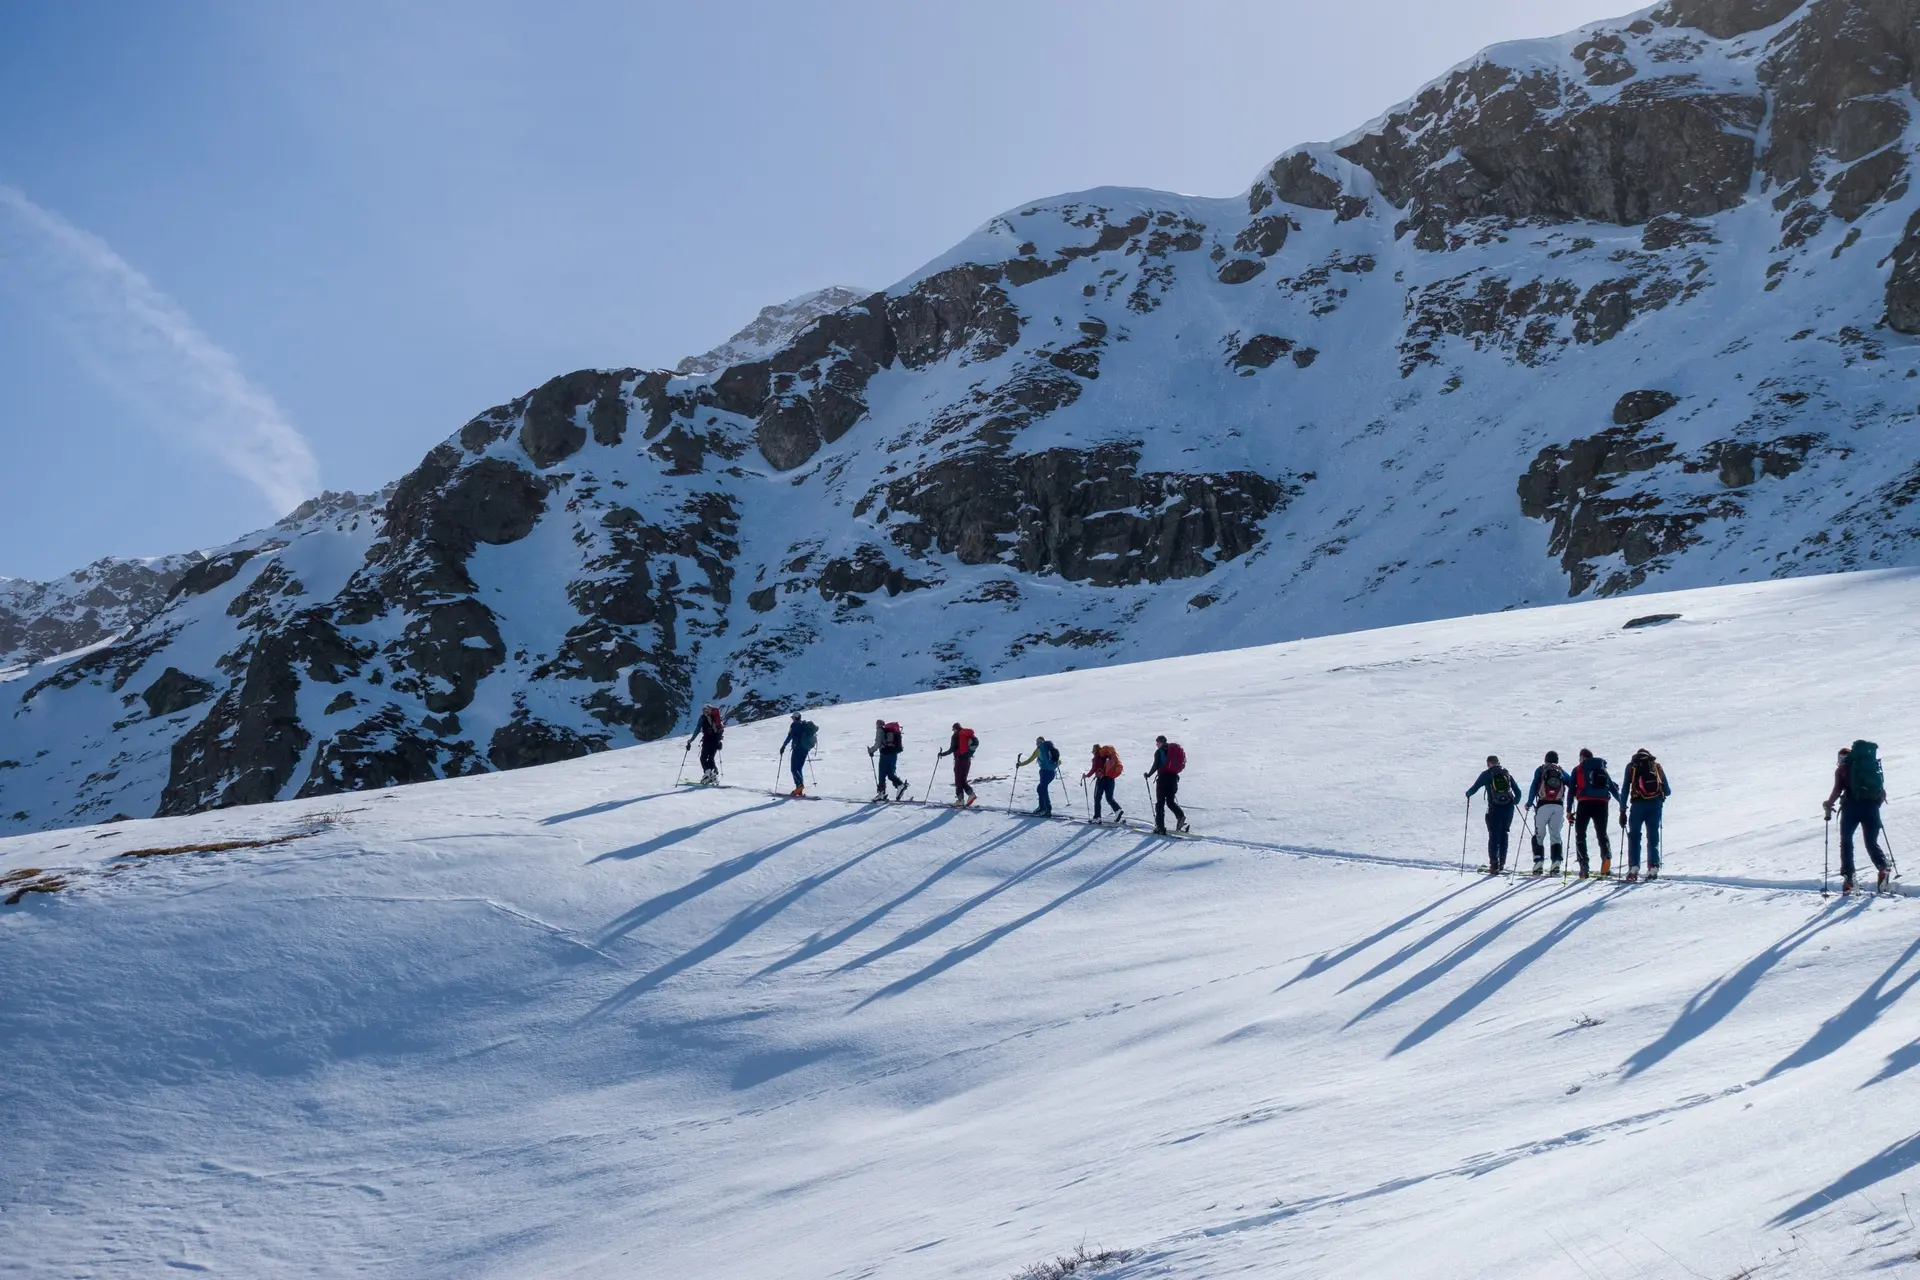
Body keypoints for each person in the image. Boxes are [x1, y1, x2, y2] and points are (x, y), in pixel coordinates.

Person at [1825, 741, 1891, 894]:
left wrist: (1828, 804)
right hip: (1871, 808)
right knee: (1871, 842)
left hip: (1850, 808)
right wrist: (1874, 806)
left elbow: (1837, 790)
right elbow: (1882, 793)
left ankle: (1849, 879)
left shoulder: (1841, 770)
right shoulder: (1870, 767)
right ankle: (1883, 866)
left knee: (1846, 842)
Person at [1567, 748, 1621, 879]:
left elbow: (1571, 791)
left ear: (1582, 758)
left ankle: (1584, 866)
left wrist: (1569, 810)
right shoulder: (1601, 768)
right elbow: (1612, 788)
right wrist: (1622, 803)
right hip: (1602, 804)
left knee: (1580, 834)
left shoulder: (1578, 769)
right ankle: (1606, 859)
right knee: (1602, 833)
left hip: (1584, 803)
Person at [1621, 748, 1672, 881]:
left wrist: (1622, 809)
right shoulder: (1656, 766)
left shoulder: (1632, 767)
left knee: (1634, 836)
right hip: (1655, 806)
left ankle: (1634, 868)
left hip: (1637, 805)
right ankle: (1653, 868)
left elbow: (1625, 788)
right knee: (1653, 836)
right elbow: (1667, 790)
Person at [1465, 755, 1521, 874]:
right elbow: (1518, 793)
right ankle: (1502, 862)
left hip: (1494, 808)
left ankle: (1494, 865)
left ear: (1488, 763)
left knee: (1494, 836)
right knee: (1504, 834)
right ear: (1498, 762)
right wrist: (1513, 802)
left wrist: (1468, 794)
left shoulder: (1487, 774)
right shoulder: (1506, 773)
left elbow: (1474, 788)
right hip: (1508, 808)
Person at [1525, 750, 1569, 877]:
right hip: (1558, 806)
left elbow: (1534, 786)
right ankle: (1556, 862)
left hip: (1543, 805)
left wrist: (1529, 802)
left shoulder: (1540, 770)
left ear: (1545, 759)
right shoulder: (1561, 771)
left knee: (1539, 834)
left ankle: (1538, 862)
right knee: (1555, 834)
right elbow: (1571, 783)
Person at [1145, 735, 1189, 835]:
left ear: (1160, 742)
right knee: (1170, 801)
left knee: (1160, 803)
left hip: (1163, 778)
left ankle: (1160, 827)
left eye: (1157, 743)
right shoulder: (1173, 750)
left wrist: (1148, 774)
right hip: (1173, 778)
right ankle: (1180, 816)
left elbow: (1156, 765)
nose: (1156, 745)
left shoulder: (1160, 751)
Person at [1017, 735, 1062, 815]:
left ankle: (1047, 809)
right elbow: (1059, 761)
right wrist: (1055, 764)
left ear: (1040, 742)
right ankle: (1042, 807)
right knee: (1040, 789)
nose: (1036, 744)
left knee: (1042, 789)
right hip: (1051, 773)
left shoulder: (1039, 750)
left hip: (1044, 773)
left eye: (1037, 742)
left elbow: (1029, 760)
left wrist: (1020, 764)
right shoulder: (1049, 749)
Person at [937, 723, 979, 807]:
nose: (953, 732)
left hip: (960, 760)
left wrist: (942, 754)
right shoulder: (966, 735)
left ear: (955, 729)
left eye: (953, 730)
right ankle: (971, 795)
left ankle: (961, 800)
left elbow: (952, 749)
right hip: (967, 759)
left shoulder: (956, 736)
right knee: (963, 779)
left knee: (958, 780)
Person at [869, 719, 909, 801]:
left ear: (878, 724)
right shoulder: (891, 732)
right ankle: (900, 785)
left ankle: (881, 793)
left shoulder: (880, 730)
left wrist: (871, 750)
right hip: (894, 753)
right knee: (891, 773)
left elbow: (878, 743)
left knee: (882, 773)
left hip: (885, 754)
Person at [1084, 744, 1125, 824]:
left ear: (1095, 750)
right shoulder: (1107, 756)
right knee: (1109, 798)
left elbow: (1094, 769)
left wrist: (1087, 775)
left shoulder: (1097, 757)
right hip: (1111, 779)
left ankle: (1097, 817)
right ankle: (1117, 810)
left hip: (1101, 780)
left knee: (1097, 798)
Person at [780, 712, 818, 797]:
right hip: (805, 749)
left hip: (797, 749)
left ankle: (799, 786)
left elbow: (789, 736)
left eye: (792, 717)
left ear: (795, 718)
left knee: (793, 769)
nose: (792, 719)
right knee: (799, 768)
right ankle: (799, 789)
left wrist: (783, 746)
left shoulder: (794, 725)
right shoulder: (804, 724)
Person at [686, 704, 725, 784]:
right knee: (711, 758)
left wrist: (691, 740)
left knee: (703, 758)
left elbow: (697, 729)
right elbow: (721, 728)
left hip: (707, 740)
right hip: (716, 741)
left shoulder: (702, 718)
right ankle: (714, 774)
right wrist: (719, 740)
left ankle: (707, 773)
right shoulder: (716, 717)